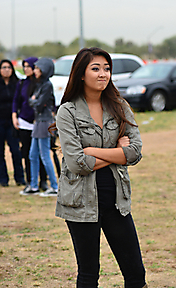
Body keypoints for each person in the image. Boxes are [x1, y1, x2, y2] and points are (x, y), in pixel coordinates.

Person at [54, 47, 147, 288]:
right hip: (80, 203)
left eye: (107, 69)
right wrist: (118, 153)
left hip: (116, 200)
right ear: (81, 74)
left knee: (136, 274)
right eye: (95, 68)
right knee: (88, 274)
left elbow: (135, 152)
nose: (103, 74)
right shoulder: (67, 111)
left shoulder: (119, 106)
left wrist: (94, 151)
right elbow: (77, 162)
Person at [20, 57, 58, 196]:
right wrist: (33, 100)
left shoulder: (47, 85)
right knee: (32, 155)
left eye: (37, 68)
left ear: (44, 70)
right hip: (38, 122)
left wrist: (34, 100)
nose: (34, 71)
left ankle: (54, 186)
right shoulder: (39, 84)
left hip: (44, 122)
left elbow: (39, 103)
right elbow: (33, 100)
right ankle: (34, 186)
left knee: (44, 155)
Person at [12, 57, 48, 191]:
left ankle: (43, 180)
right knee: (27, 153)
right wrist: (14, 116)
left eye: (29, 66)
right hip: (24, 122)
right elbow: (16, 101)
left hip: (38, 122)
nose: (26, 69)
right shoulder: (22, 83)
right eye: (24, 66)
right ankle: (30, 181)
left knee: (41, 153)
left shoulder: (42, 84)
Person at [0, 59, 25, 186]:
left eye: (9, 67)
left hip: (12, 122)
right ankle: (3, 179)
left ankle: (20, 178)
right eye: (4, 67)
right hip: (0, 121)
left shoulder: (17, 84)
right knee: (0, 152)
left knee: (15, 150)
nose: (6, 70)